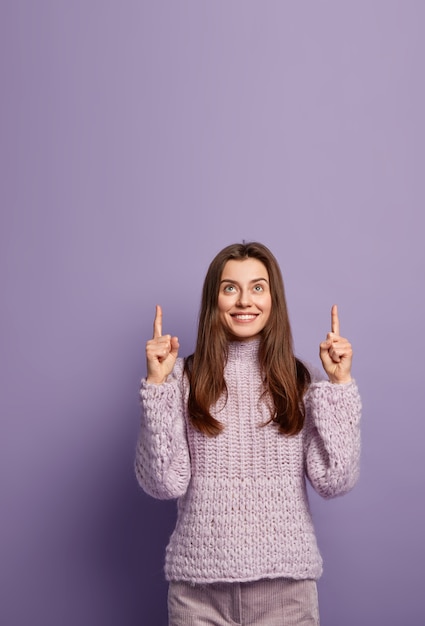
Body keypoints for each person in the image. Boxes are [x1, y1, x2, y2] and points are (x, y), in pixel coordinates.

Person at [135, 242, 362, 626]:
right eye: (230, 288)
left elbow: (334, 480)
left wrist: (340, 386)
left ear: (274, 299)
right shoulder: (183, 379)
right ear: (214, 300)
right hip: (198, 594)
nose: (244, 301)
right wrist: (158, 387)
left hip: (286, 594)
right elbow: (162, 483)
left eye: (257, 287)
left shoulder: (300, 379)